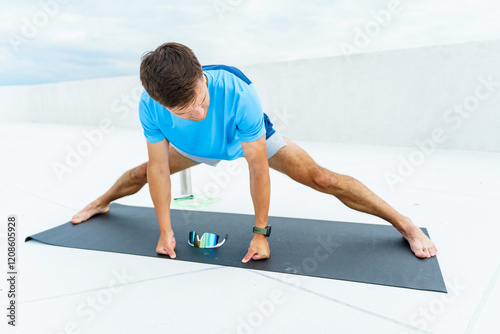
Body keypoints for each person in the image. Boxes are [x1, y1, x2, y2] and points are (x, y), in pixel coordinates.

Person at [71, 42, 437, 262]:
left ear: (202, 75)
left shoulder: (238, 90)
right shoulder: (149, 106)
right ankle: (100, 202)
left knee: (321, 177)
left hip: (243, 138)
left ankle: (403, 223)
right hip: (195, 148)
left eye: (200, 101)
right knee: (139, 173)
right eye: (184, 112)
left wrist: (261, 232)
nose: (198, 113)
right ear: (160, 102)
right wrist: (165, 231)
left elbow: (257, 168)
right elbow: (159, 169)